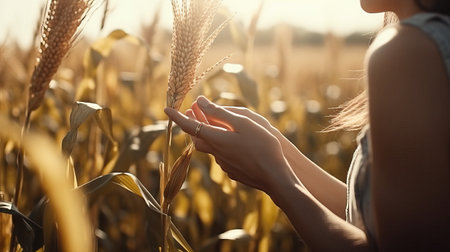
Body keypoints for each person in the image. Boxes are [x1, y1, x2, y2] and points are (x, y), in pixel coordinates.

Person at [165, 0, 450, 250]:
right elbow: (365, 217)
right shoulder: (433, 43)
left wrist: (275, 178)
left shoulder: (410, 50)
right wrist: (278, 148)